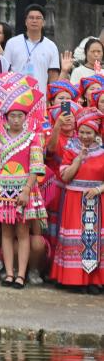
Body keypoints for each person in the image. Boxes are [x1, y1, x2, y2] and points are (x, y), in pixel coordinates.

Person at [0, 78, 46, 289]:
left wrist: (27, 190)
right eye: (12, 116)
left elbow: (36, 167)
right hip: (1, 190)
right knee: (6, 233)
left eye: (20, 115)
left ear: (25, 118)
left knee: (23, 232)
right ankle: (9, 273)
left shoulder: (33, 138)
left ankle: (21, 274)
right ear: (6, 118)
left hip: (24, 190)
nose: (16, 119)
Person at [49, 107, 104, 292]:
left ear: (95, 132)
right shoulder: (71, 148)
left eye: (88, 132)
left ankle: (93, 280)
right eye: (82, 132)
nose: (85, 136)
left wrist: (98, 189)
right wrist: (79, 159)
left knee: (93, 239)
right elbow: (65, 176)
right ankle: (74, 280)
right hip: (74, 199)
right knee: (76, 239)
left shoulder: (102, 151)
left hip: (97, 199)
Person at [2, 4, 60, 96]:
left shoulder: (51, 46)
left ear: (43, 22)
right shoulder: (12, 43)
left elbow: (53, 76)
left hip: (40, 98)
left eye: (38, 18)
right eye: (31, 18)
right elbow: (4, 71)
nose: (34, 20)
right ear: (25, 21)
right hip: (15, 97)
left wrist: (50, 98)